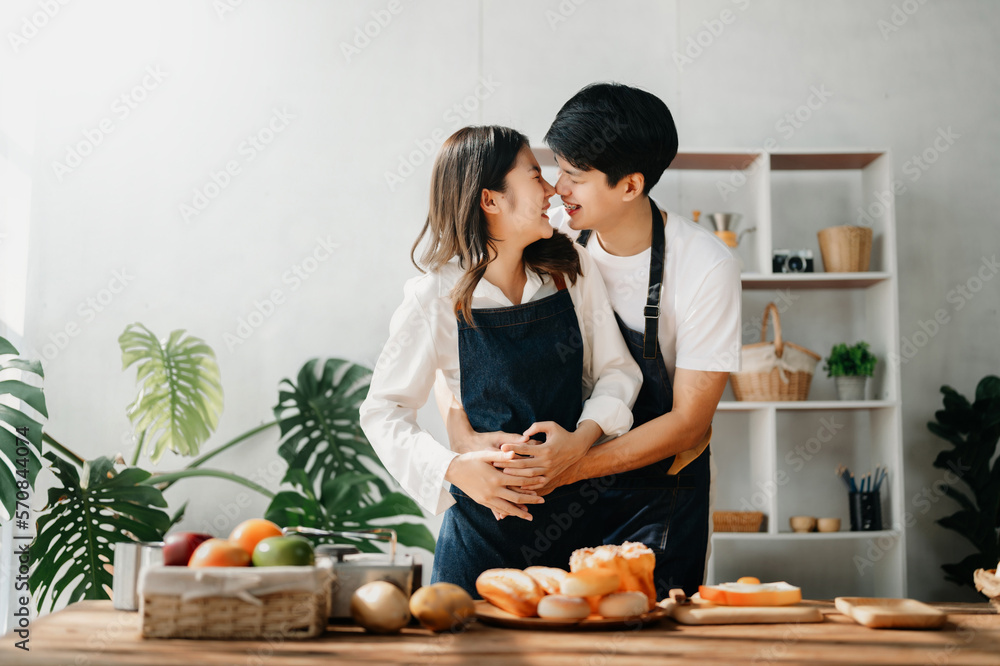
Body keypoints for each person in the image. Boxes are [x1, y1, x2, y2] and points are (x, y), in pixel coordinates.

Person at [445, 83, 742, 598]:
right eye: (557, 169)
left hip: (655, 492)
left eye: (575, 177)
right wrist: (465, 442)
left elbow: (689, 421)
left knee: (642, 637)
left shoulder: (705, 268)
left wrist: (572, 464)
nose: (557, 189)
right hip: (560, 489)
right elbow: (454, 336)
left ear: (630, 186)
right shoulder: (550, 232)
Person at [359, 125, 642, 596]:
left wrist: (581, 439)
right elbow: (382, 412)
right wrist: (455, 469)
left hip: (579, 535)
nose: (552, 188)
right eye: (535, 175)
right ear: (490, 200)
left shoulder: (570, 268)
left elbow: (617, 371)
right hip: (479, 539)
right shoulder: (434, 297)